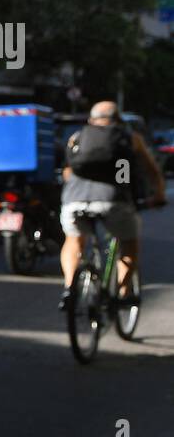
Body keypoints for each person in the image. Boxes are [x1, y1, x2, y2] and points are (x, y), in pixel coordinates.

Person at [58, 100, 166, 309]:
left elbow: (67, 172)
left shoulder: (76, 137)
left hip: (74, 200)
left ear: (91, 119)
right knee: (129, 244)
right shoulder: (130, 138)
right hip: (114, 201)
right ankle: (123, 293)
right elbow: (152, 171)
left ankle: (70, 286)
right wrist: (159, 195)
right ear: (118, 120)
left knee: (74, 241)